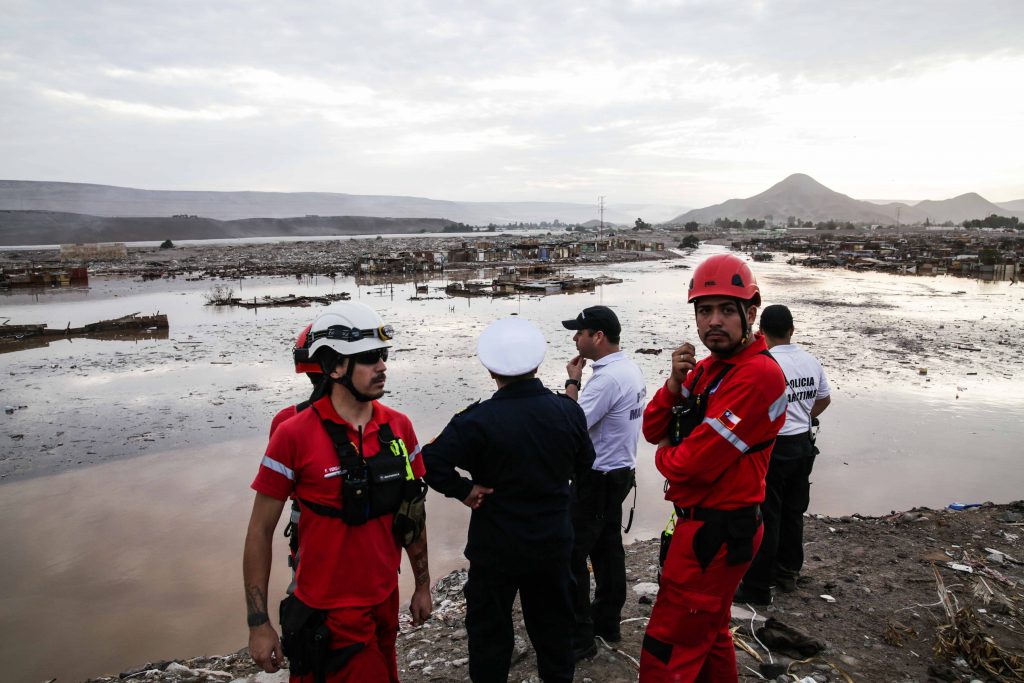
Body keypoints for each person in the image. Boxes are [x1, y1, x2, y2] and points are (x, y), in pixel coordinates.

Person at [243, 302, 432, 683]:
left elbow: (413, 514)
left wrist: (423, 586)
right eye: (367, 358)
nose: (382, 366)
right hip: (328, 610)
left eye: (383, 355)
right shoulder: (292, 435)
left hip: (384, 598)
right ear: (333, 367)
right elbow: (260, 530)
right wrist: (258, 623)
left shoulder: (399, 428)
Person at [639, 253, 788, 682]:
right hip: (706, 528)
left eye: (726, 309)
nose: (713, 322)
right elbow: (652, 427)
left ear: (751, 312)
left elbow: (689, 466)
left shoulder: (757, 376)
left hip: (717, 531)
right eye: (705, 311)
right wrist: (671, 385)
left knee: (668, 644)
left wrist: (666, 453)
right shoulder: (709, 369)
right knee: (711, 632)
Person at [422, 317, 595, 683]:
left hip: (496, 546)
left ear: (491, 371)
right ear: (536, 365)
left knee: (489, 636)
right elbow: (586, 464)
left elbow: (429, 462)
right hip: (552, 542)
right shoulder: (567, 412)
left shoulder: (477, 421)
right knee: (554, 635)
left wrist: (465, 491)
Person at [561, 305, 646, 659]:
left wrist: (572, 383)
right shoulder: (629, 369)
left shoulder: (607, 379)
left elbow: (570, 425)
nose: (575, 338)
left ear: (597, 336)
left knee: (572, 555)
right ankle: (607, 622)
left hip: (596, 479)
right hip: (620, 473)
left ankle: (580, 638)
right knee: (608, 549)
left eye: (579, 332)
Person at [734, 304, 831, 605]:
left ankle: (759, 583)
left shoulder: (762, 363)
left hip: (771, 448)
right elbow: (824, 400)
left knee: (766, 514)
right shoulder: (810, 361)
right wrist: (803, 416)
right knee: (794, 511)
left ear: (761, 331)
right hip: (802, 446)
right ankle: (788, 571)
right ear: (792, 330)